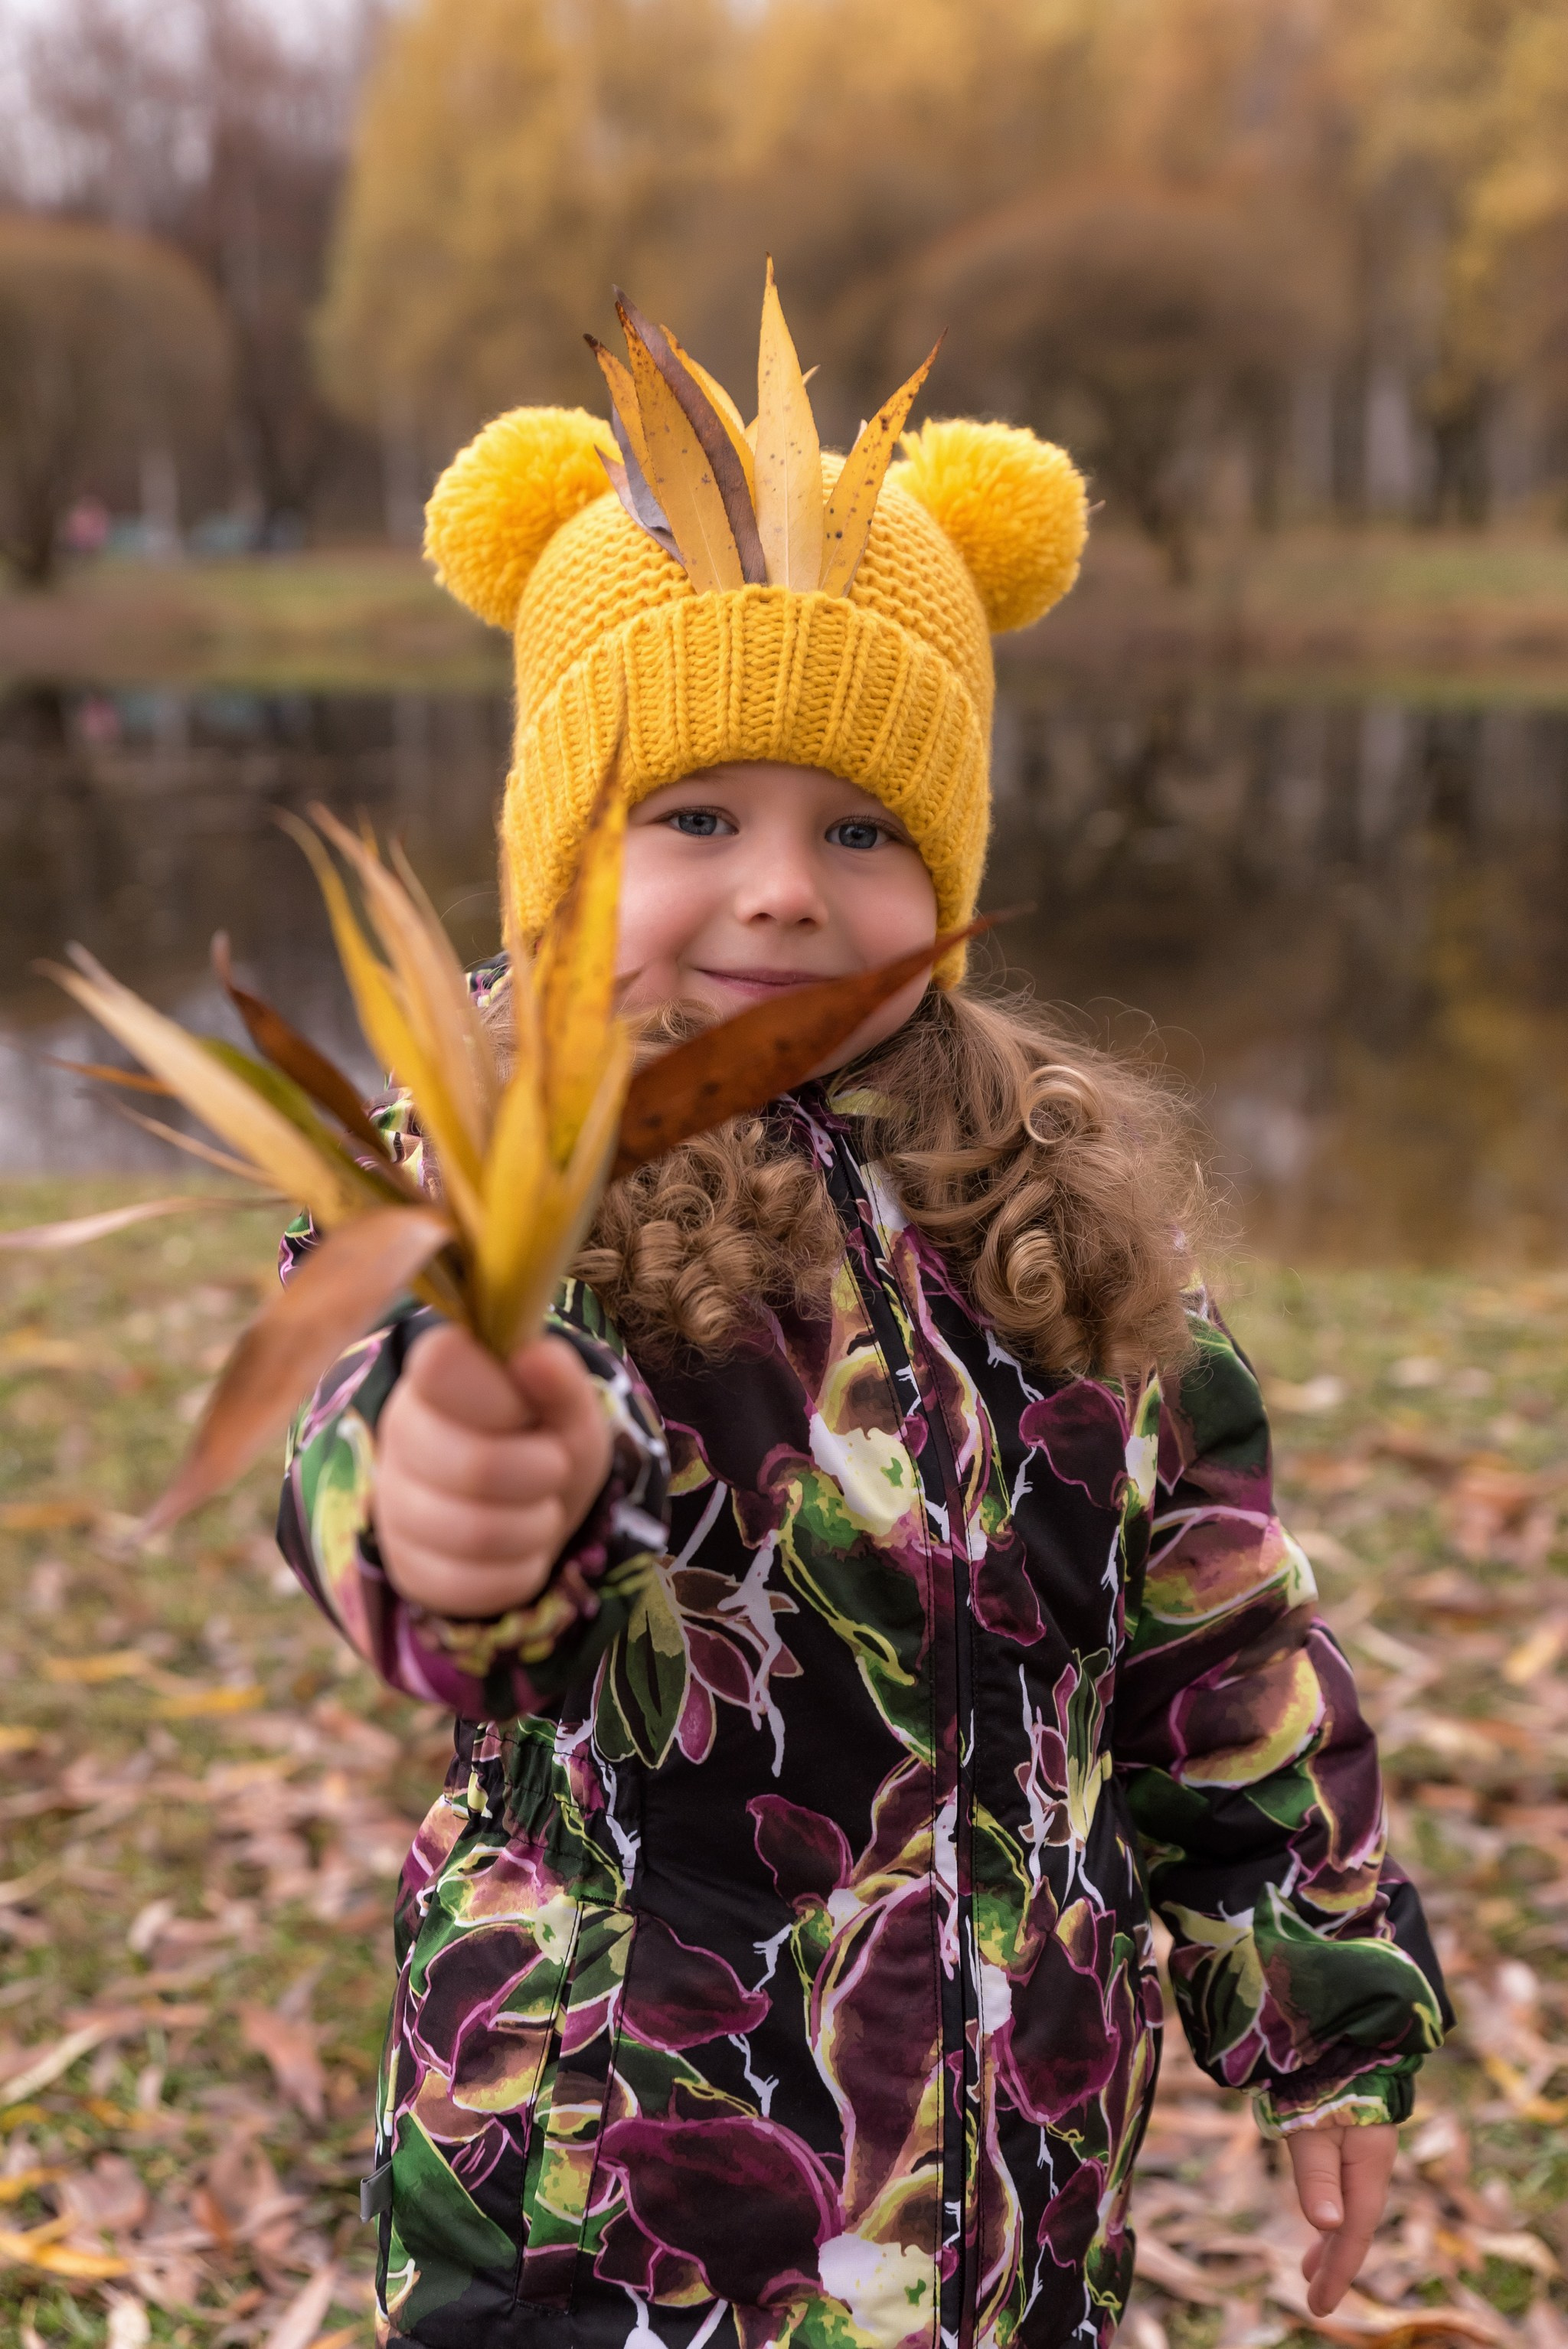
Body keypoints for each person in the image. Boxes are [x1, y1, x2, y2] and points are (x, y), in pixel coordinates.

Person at [276, 311, 1449, 2349]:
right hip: (614, 2198)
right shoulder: (494, 1166)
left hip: (1014, 2184)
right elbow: (372, 1427)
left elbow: (1215, 1632)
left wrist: (1317, 2010)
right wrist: (441, 1493)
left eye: (861, 827)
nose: (784, 893)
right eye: (694, 818)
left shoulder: (1051, 1198)